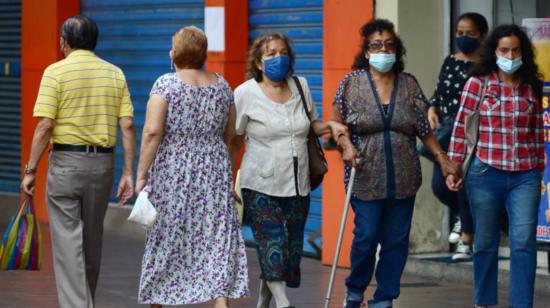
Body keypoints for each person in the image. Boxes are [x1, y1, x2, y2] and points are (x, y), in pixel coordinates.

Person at [332, 19, 460, 308]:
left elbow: (423, 130)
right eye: (376, 45)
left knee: (396, 241)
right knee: (366, 236)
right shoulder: (351, 84)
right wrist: (346, 146)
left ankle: (384, 297)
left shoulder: (409, 83)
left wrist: (442, 158)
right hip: (365, 175)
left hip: (404, 176)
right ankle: (355, 290)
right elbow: (337, 125)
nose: (383, 50)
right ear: (366, 51)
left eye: (389, 44)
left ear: (397, 49)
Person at [20, 16, 136, 308]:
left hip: (66, 165)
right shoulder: (115, 74)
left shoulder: (55, 72)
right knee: (91, 240)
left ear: (64, 41)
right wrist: (128, 173)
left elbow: (45, 125)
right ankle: (85, 301)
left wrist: (30, 170)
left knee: (68, 243)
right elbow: (127, 125)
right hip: (103, 166)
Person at [231, 32, 348, 308]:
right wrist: (226, 179)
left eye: (283, 52)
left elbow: (311, 127)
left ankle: (263, 304)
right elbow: (234, 139)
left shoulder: (300, 85)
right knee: (272, 243)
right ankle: (284, 304)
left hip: (298, 183)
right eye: (270, 53)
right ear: (259, 63)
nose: (278, 58)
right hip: (260, 183)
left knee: (288, 251)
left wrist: (332, 126)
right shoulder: (245, 93)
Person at [135, 26, 248, 308]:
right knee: (215, 237)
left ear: (175, 53)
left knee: (167, 234)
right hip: (214, 168)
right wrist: (227, 175)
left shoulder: (166, 85)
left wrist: (141, 174)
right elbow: (232, 136)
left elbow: (152, 132)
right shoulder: (223, 86)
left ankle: (158, 301)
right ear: (202, 54)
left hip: (172, 171)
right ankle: (220, 300)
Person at [447, 24, 544, 308]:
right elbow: (461, 128)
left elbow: (537, 131)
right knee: (486, 242)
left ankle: (521, 304)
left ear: (523, 52)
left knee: (524, 243)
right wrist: (453, 167)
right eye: (504, 50)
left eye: (515, 50)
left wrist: (539, 167)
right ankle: (484, 302)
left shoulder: (531, 86)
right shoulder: (479, 82)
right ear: (494, 51)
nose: (510, 55)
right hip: (485, 173)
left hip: (525, 176)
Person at [426, 12, 488, 260]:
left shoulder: (487, 64)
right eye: (459, 33)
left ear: (481, 35)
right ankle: (464, 217)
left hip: (473, 132)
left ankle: (467, 239)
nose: (463, 38)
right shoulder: (450, 61)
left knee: (462, 185)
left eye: (469, 33)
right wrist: (432, 108)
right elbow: (439, 91)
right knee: (440, 187)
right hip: (446, 132)